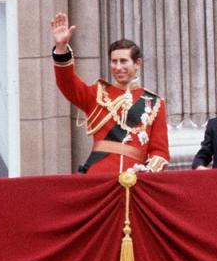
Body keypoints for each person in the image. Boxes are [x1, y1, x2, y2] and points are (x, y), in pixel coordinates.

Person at [50, 12, 169, 174]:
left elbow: (160, 151)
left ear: (137, 63)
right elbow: (67, 84)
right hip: (99, 177)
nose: (118, 67)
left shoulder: (154, 103)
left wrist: (147, 171)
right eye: (114, 61)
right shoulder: (97, 95)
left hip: (135, 179)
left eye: (123, 61)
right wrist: (61, 48)